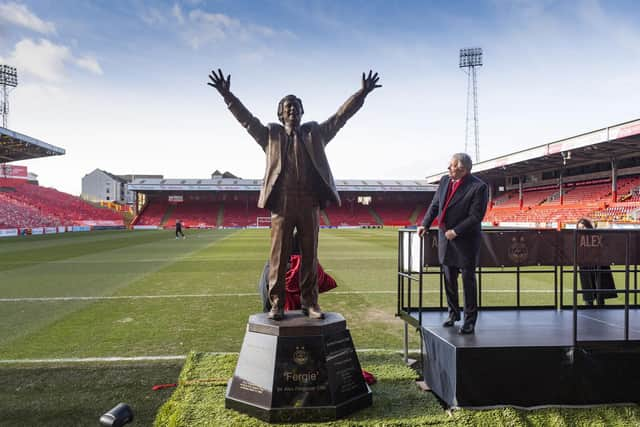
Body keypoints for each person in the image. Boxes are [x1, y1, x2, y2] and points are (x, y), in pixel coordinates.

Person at [208, 68, 381, 320]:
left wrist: (362, 93)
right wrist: (228, 95)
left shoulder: (315, 133)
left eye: (296, 107)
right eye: (287, 107)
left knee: (310, 254)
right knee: (278, 255)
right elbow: (246, 119)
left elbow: (340, 117)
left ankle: (310, 303)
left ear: (302, 112)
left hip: (309, 202)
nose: (292, 110)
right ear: (280, 113)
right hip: (282, 202)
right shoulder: (270, 135)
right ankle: (276, 303)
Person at [417, 153, 488, 334]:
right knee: (449, 279)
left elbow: (476, 216)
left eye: (452, 166)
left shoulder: (478, 187)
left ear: (463, 170)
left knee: (468, 281)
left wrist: (456, 231)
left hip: (465, 241)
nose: (449, 168)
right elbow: (435, 205)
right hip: (445, 239)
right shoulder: (444, 181)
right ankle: (453, 314)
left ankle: (470, 320)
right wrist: (425, 224)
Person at [258, 230, 337, 312]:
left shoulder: (271, 267)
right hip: (301, 313)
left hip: (279, 312)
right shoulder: (312, 267)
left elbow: (265, 291)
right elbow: (327, 283)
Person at [576, 218, 617, 306]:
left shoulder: (597, 235)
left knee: (600, 292)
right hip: (585, 266)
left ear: (588, 226)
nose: (582, 229)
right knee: (588, 293)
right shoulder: (578, 237)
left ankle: (600, 307)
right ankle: (589, 305)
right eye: (579, 227)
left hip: (598, 264)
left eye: (583, 227)